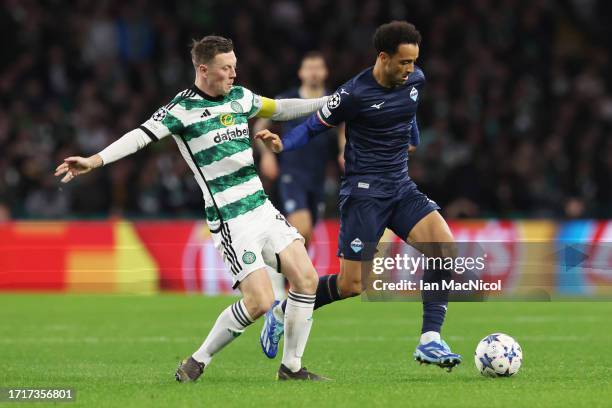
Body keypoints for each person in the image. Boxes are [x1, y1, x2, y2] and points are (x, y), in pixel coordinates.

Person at [54, 35, 329, 381]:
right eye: (226, 68)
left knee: (307, 278)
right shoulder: (181, 110)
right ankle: (198, 359)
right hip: (231, 219)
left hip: (262, 207)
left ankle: (291, 368)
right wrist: (94, 160)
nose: (233, 73)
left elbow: (283, 108)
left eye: (235, 66)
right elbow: (139, 136)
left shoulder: (240, 98)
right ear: (203, 69)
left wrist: (333, 103)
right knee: (259, 302)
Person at [256, 21, 462, 371]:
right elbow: (313, 125)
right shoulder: (353, 94)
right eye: (404, 62)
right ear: (383, 57)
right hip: (363, 194)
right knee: (352, 285)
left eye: (414, 61)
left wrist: (413, 138)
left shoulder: (415, 80)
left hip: (400, 187)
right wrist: (282, 144)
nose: (411, 69)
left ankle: (430, 339)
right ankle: (283, 309)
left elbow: (409, 108)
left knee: (444, 248)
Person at [253, 52, 341, 357]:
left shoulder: (332, 101)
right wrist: (265, 154)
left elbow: (342, 129)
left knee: (304, 237)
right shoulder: (288, 99)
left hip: (317, 180)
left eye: (319, 67)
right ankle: (280, 296)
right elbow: (261, 122)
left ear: (325, 71)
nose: (315, 72)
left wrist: (344, 151)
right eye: (310, 67)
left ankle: (285, 291)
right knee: (299, 230)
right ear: (302, 72)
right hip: (291, 175)